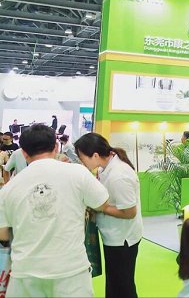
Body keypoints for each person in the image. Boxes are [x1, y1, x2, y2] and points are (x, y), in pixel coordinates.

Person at [0, 124, 109, 297]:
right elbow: (101, 203)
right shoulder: (78, 173)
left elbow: (3, 234)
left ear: (24, 153)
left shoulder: (9, 189)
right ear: (56, 147)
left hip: (26, 274)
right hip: (71, 272)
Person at [74, 133, 142, 298]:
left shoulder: (119, 175)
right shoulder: (105, 168)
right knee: (114, 283)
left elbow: (129, 212)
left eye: (82, 158)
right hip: (113, 236)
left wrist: (102, 208)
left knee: (122, 286)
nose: (82, 162)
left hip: (122, 240)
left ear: (95, 155)